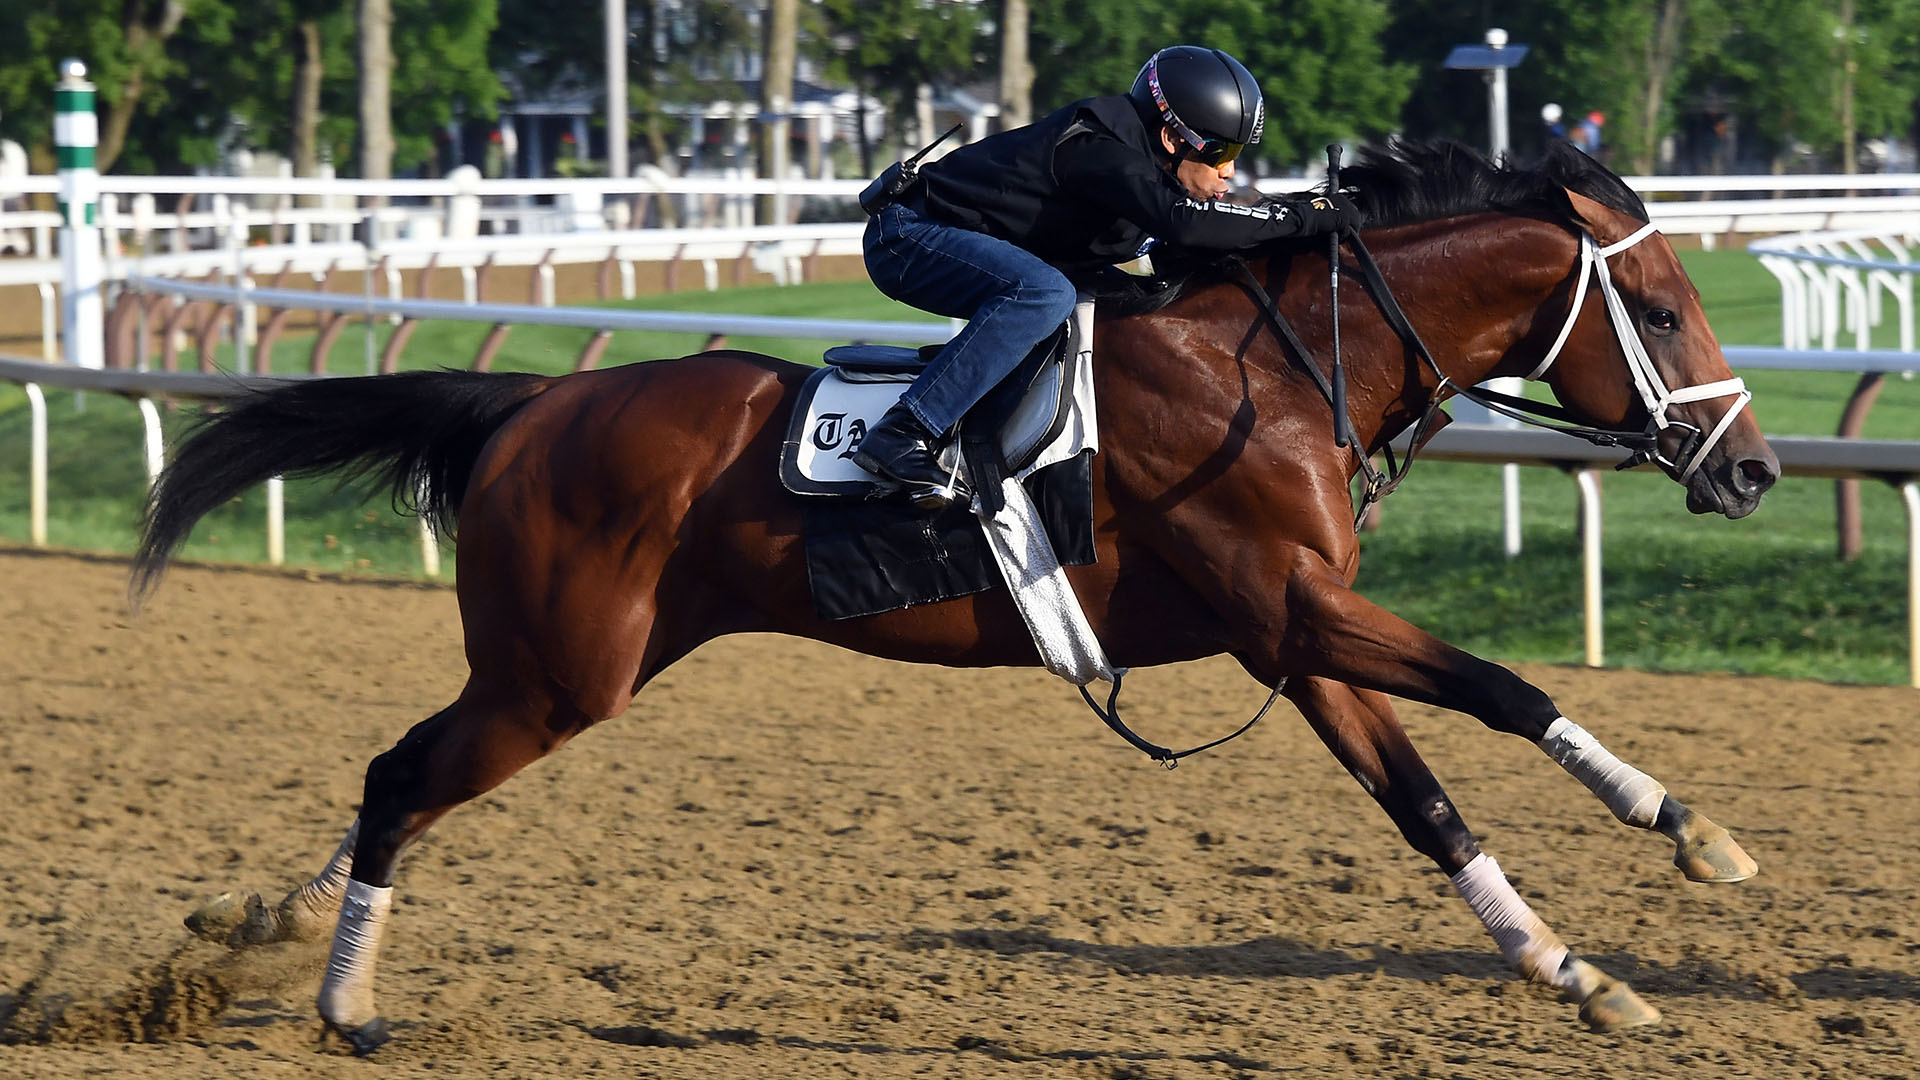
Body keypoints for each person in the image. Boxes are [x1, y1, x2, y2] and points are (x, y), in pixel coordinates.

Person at [851, 45, 1358, 509]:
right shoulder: (1096, 148)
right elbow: (1186, 224)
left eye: (1237, 157)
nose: (1228, 172)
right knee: (1045, 294)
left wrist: (1299, 223)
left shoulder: (1150, 165)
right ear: (1170, 137)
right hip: (908, 236)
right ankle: (901, 433)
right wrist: (1307, 214)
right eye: (1220, 154)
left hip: (973, 240)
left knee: (1136, 297)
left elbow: (1198, 242)